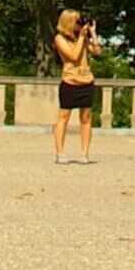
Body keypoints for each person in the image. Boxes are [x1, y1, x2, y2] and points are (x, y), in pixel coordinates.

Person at [50, 10, 102, 164]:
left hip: (86, 81)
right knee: (63, 118)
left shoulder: (83, 38)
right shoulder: (59, 39)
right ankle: (60, 153)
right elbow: (73, 56)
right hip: (70, 82)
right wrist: (80, 38)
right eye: (77, 22)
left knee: (86, 118)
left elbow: (97, 51)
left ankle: (85, 154)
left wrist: (92, 34)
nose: (80, 24)